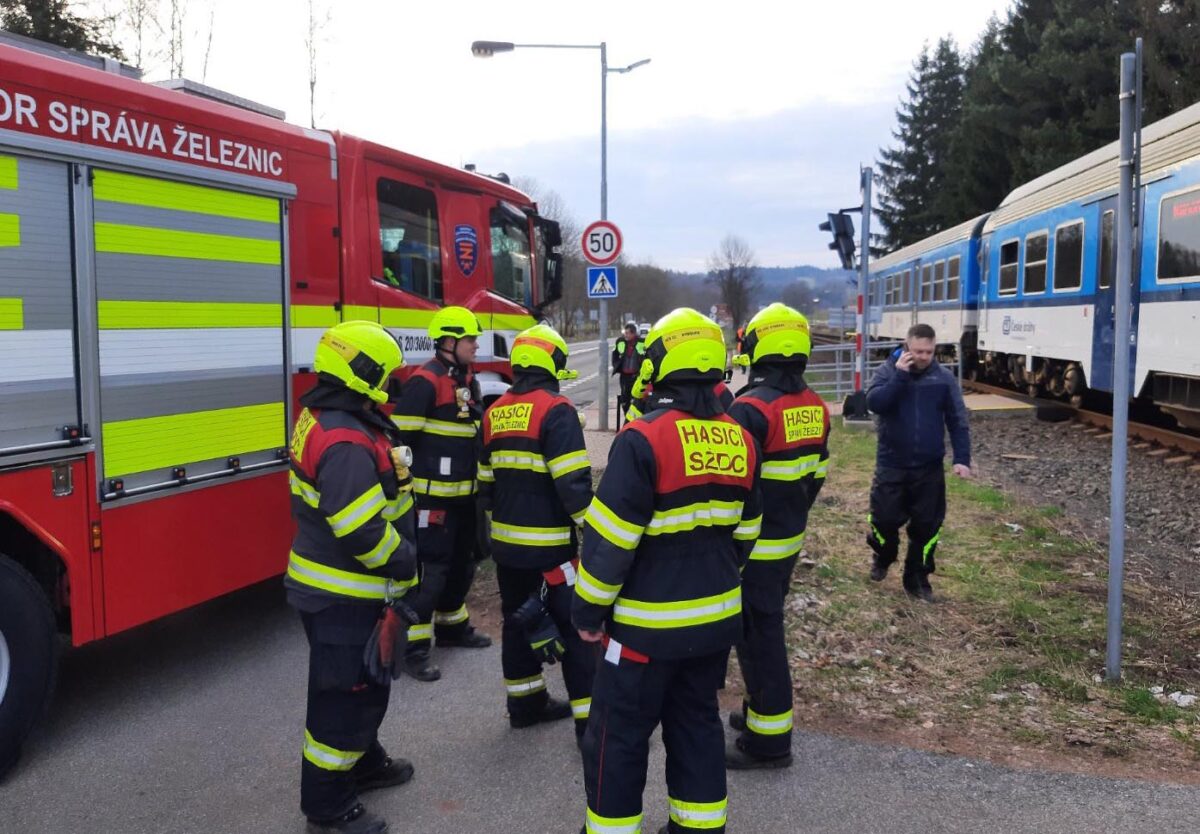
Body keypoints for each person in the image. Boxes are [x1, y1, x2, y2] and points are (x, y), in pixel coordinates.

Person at [574, 308, 762, 834]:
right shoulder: (742, 440)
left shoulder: (642, 439)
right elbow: (747, 533)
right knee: (696, 727)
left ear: (659, 365)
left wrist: (587, 612)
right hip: (714, 625)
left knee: (617, 737)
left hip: (644, 631)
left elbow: (610, 544)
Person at [284, 321, 419, 834]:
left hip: (338, 589)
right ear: (360, 373)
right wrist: (404, 560)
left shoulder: (334, 414)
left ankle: (362, 763)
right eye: (383, 372)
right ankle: (328, 806)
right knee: (344, 697)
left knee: (364, 686)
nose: (390, 382)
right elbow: (360, 530)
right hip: (343, 593)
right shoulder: (344, 439)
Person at [478, 324, 597, 740]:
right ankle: (590, 726)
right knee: (574, 631)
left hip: (507, 547)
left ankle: (525, 705)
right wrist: (598, 534)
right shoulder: (556, 410)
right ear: (553, 362)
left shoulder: (494, 412)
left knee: (517, 621)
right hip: (551, 552)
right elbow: (573, 486)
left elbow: (485, 485)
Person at [724, 303, 830, 770]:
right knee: (761, 630)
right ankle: (757, 711)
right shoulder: (815, 405)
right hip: (787, 539)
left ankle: (769, 740)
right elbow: (817, 475)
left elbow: (733, 486)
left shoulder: (749, 409)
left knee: (759, 638)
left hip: (752, 549)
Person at [390, 307, 492, 682]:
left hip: (465, 498)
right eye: (470, 339)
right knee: (430, 573)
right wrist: (406, 493)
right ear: (449, 341)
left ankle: (452, 629)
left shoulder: (467, 380)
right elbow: (399, 441)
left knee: (464, 565)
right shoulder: (425, 382)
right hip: (433, 501)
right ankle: (412, 649)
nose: (476, 345)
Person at [865, 323, 971, 602]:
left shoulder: (943, 378)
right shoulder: (887, 371)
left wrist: (962, 458)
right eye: (918, 351)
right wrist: (900, 377)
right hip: (891, 463)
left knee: (927, 527)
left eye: (929, 352)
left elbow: (958, 419)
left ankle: (917, 579)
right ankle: (884, 555)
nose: (924, 357)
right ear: (906, 347)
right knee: (883, 520)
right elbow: (875, 403)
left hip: (928, 467)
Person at [611, 321, 646, 428]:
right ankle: (628, 419)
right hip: (624, 377)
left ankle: (633, 423)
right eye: (625, 333)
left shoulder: (642, 343)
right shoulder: (621, 342)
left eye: (627, 333)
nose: (625, 335)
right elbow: (615, 354)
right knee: (624, 400)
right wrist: (616, 365)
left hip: (636, 377)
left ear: (633, 333)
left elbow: (647, 356)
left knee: (635, 400)